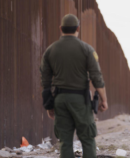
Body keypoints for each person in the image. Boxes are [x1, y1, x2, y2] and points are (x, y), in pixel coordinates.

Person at [40, 14, 108, 158]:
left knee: (65, 141)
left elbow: (45, 81)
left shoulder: (50, 50)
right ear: (78, 28)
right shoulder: (86, 49)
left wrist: (49, 105)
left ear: (60, 29)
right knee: (88, 139)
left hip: (60, 99)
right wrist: (103, 99)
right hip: (80, 100)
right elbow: (96, 76)